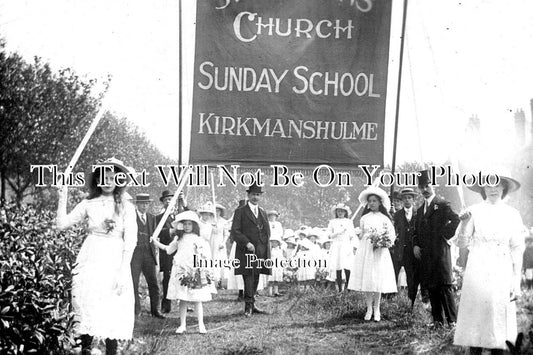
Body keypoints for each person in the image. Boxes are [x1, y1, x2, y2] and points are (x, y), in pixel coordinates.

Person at [56, 158, 137, 355]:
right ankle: (85, 348)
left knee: (112, 302)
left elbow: (131, 239)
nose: (108, 182)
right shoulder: (88, 203)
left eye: (113, 178)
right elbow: (62, 224)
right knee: (88, 298)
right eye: (104, 178)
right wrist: (62, 197)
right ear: (97, 180)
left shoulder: (126, 205)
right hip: (91, 255)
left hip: (115, 258)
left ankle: (111, 350)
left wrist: (123, 269)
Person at [453, 171, 525, 354]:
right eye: (488, 185)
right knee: (477, 316)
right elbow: (461, 242)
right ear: (483, 189)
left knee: (497, 317)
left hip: (501, 269)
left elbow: (517, 248)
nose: (493, 189)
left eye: (497, 185)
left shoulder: (512, 214)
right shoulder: (474, 211)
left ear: (504, 188)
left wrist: (515, 281)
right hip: (478, 267)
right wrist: (463, 223)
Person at [152, 210, 215, 334]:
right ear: (181, 226)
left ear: (194, 226)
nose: (187, 227)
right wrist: (156, 242)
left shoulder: (198, 238)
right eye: (184, 224)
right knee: (183, 298)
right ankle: (182, 325)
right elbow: (169, 250)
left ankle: (201, 324)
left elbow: (204, 254)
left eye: (189, 224)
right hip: (181, 271)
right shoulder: (178, 239)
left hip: (194, 270)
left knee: (197, 299)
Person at [413, 170, 460, 327]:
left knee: (445, 286)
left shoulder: (442, 204)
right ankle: (438, 321)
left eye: (427, 185)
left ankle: (452, 321)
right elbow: (416, 231)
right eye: (421, 187)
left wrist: (445, 236)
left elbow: (456, 219)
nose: (425, 189)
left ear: (433, 185)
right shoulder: (420, 210)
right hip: (426, 254)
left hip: (440, 252)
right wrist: (416, 245)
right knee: (432, 286)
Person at [348, 186, 397, 322]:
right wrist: (359, 235)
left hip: (380, 251)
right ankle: (369, 307)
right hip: (367, 249)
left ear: (380, 202)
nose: (372, 203)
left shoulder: (385, 219)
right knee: (368, 278)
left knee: (378, 278)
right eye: (370, 201)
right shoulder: (364, 218)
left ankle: (377, 309)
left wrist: (384, 242)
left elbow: (391, 235)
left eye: (374, 201)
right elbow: (362, 234)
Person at [231, 183, 271, 317]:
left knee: (256, 276)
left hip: (260, 250)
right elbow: (235, 231)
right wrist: (247, 242)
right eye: (253, 194)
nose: (255, 197)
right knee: (248, 276)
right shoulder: (240, 211)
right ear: (248, 195)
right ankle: (248, 306)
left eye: (258, 195)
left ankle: (253, 304)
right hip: (246, 250)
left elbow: (267, 231)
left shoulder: (263, 212)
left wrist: (264, 245)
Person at [392, 188, 428, 308]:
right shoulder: (396, 215)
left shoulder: (419, 213)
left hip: (413, 251)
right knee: (394, 274)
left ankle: (411, 302)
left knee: (411, 277)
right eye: (404, 198)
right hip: (400, 251)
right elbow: (393, 231)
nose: (407, 200)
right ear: (402, 200)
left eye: (409, 198)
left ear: (413, 199)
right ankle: (390, 302)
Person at [131, 193, 165, 318]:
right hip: (135, 254)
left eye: (146, 203)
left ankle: (155, 311)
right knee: (133, 283)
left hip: (148, 254)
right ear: (137, 204)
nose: (144, 206)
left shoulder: (151, 217)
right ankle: (136, 311)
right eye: (142, 203)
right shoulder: (131, 217)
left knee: (153, 283)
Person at [155, 190, 188, 313]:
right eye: (166, 200)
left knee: (184, 274)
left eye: (171, 199)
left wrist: (183, 202)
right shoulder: (159, 217)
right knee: (168, 277)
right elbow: (157, 232)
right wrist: (170, 231)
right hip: (168, 251)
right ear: (163, 203)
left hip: (182, 250)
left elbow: (190, 215)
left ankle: (185, 301)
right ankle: (166, 304)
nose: (169, 202)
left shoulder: (180, 214)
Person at [327, 203, 356, 292]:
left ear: (345, 212)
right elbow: (329, 235)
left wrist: (352, 246)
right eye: (338, 211)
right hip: (336, 245)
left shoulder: (349, 222)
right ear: (336, 212)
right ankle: (339, 289)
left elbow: (352, 235)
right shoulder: (332, 222)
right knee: (338, 267)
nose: (340, 213)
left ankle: (349, 288)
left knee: (347, 266)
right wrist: (337, 232)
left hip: (346, 245)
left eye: (342, 211)